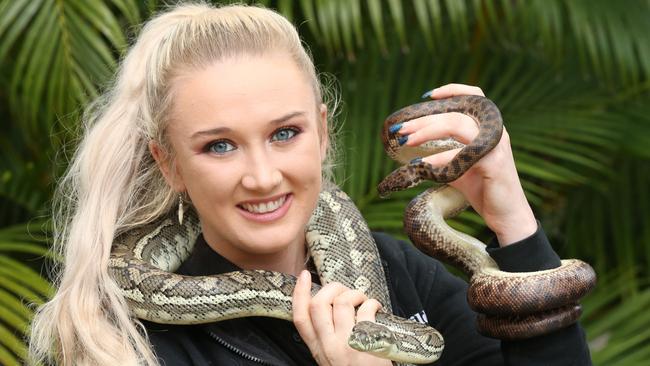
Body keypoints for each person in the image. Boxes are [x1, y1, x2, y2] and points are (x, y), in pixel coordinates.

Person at [29, 3, 591, 365]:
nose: (263, 176)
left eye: (285, 133)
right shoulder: (125, 346)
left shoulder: (401, 275)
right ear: (170, 163)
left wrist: (512, 222)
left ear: (321, 133)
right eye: (218, 145)